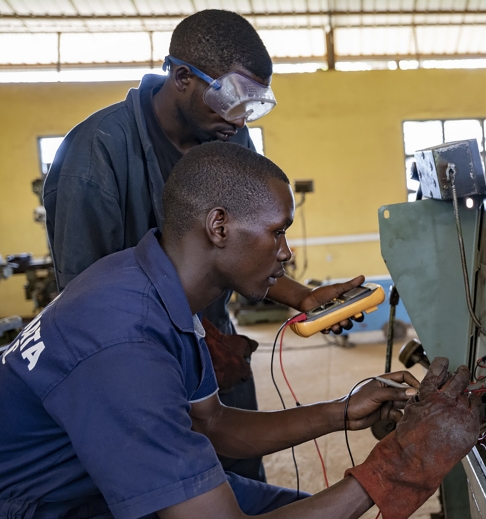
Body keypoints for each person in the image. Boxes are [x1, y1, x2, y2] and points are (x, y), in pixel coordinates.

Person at [0, 143, 479, 519]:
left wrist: (342, 413)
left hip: (95, 489)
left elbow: (214, 425)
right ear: (219, 226)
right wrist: (399, 464)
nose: (287, 252)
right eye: (277, 231)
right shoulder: (124, 340)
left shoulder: (152, 284)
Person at [42, 9, 354, 482]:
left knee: (240, 473)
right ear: (182, 76)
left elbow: (237, 251)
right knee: (166, 483)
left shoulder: (231, 138)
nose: (240, 116)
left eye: (254, 103)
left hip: (210, 338)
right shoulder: (96, 155)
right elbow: (84, 305)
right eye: (230, 98)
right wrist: (183, 346)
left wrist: (301, 298)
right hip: (128, 354)